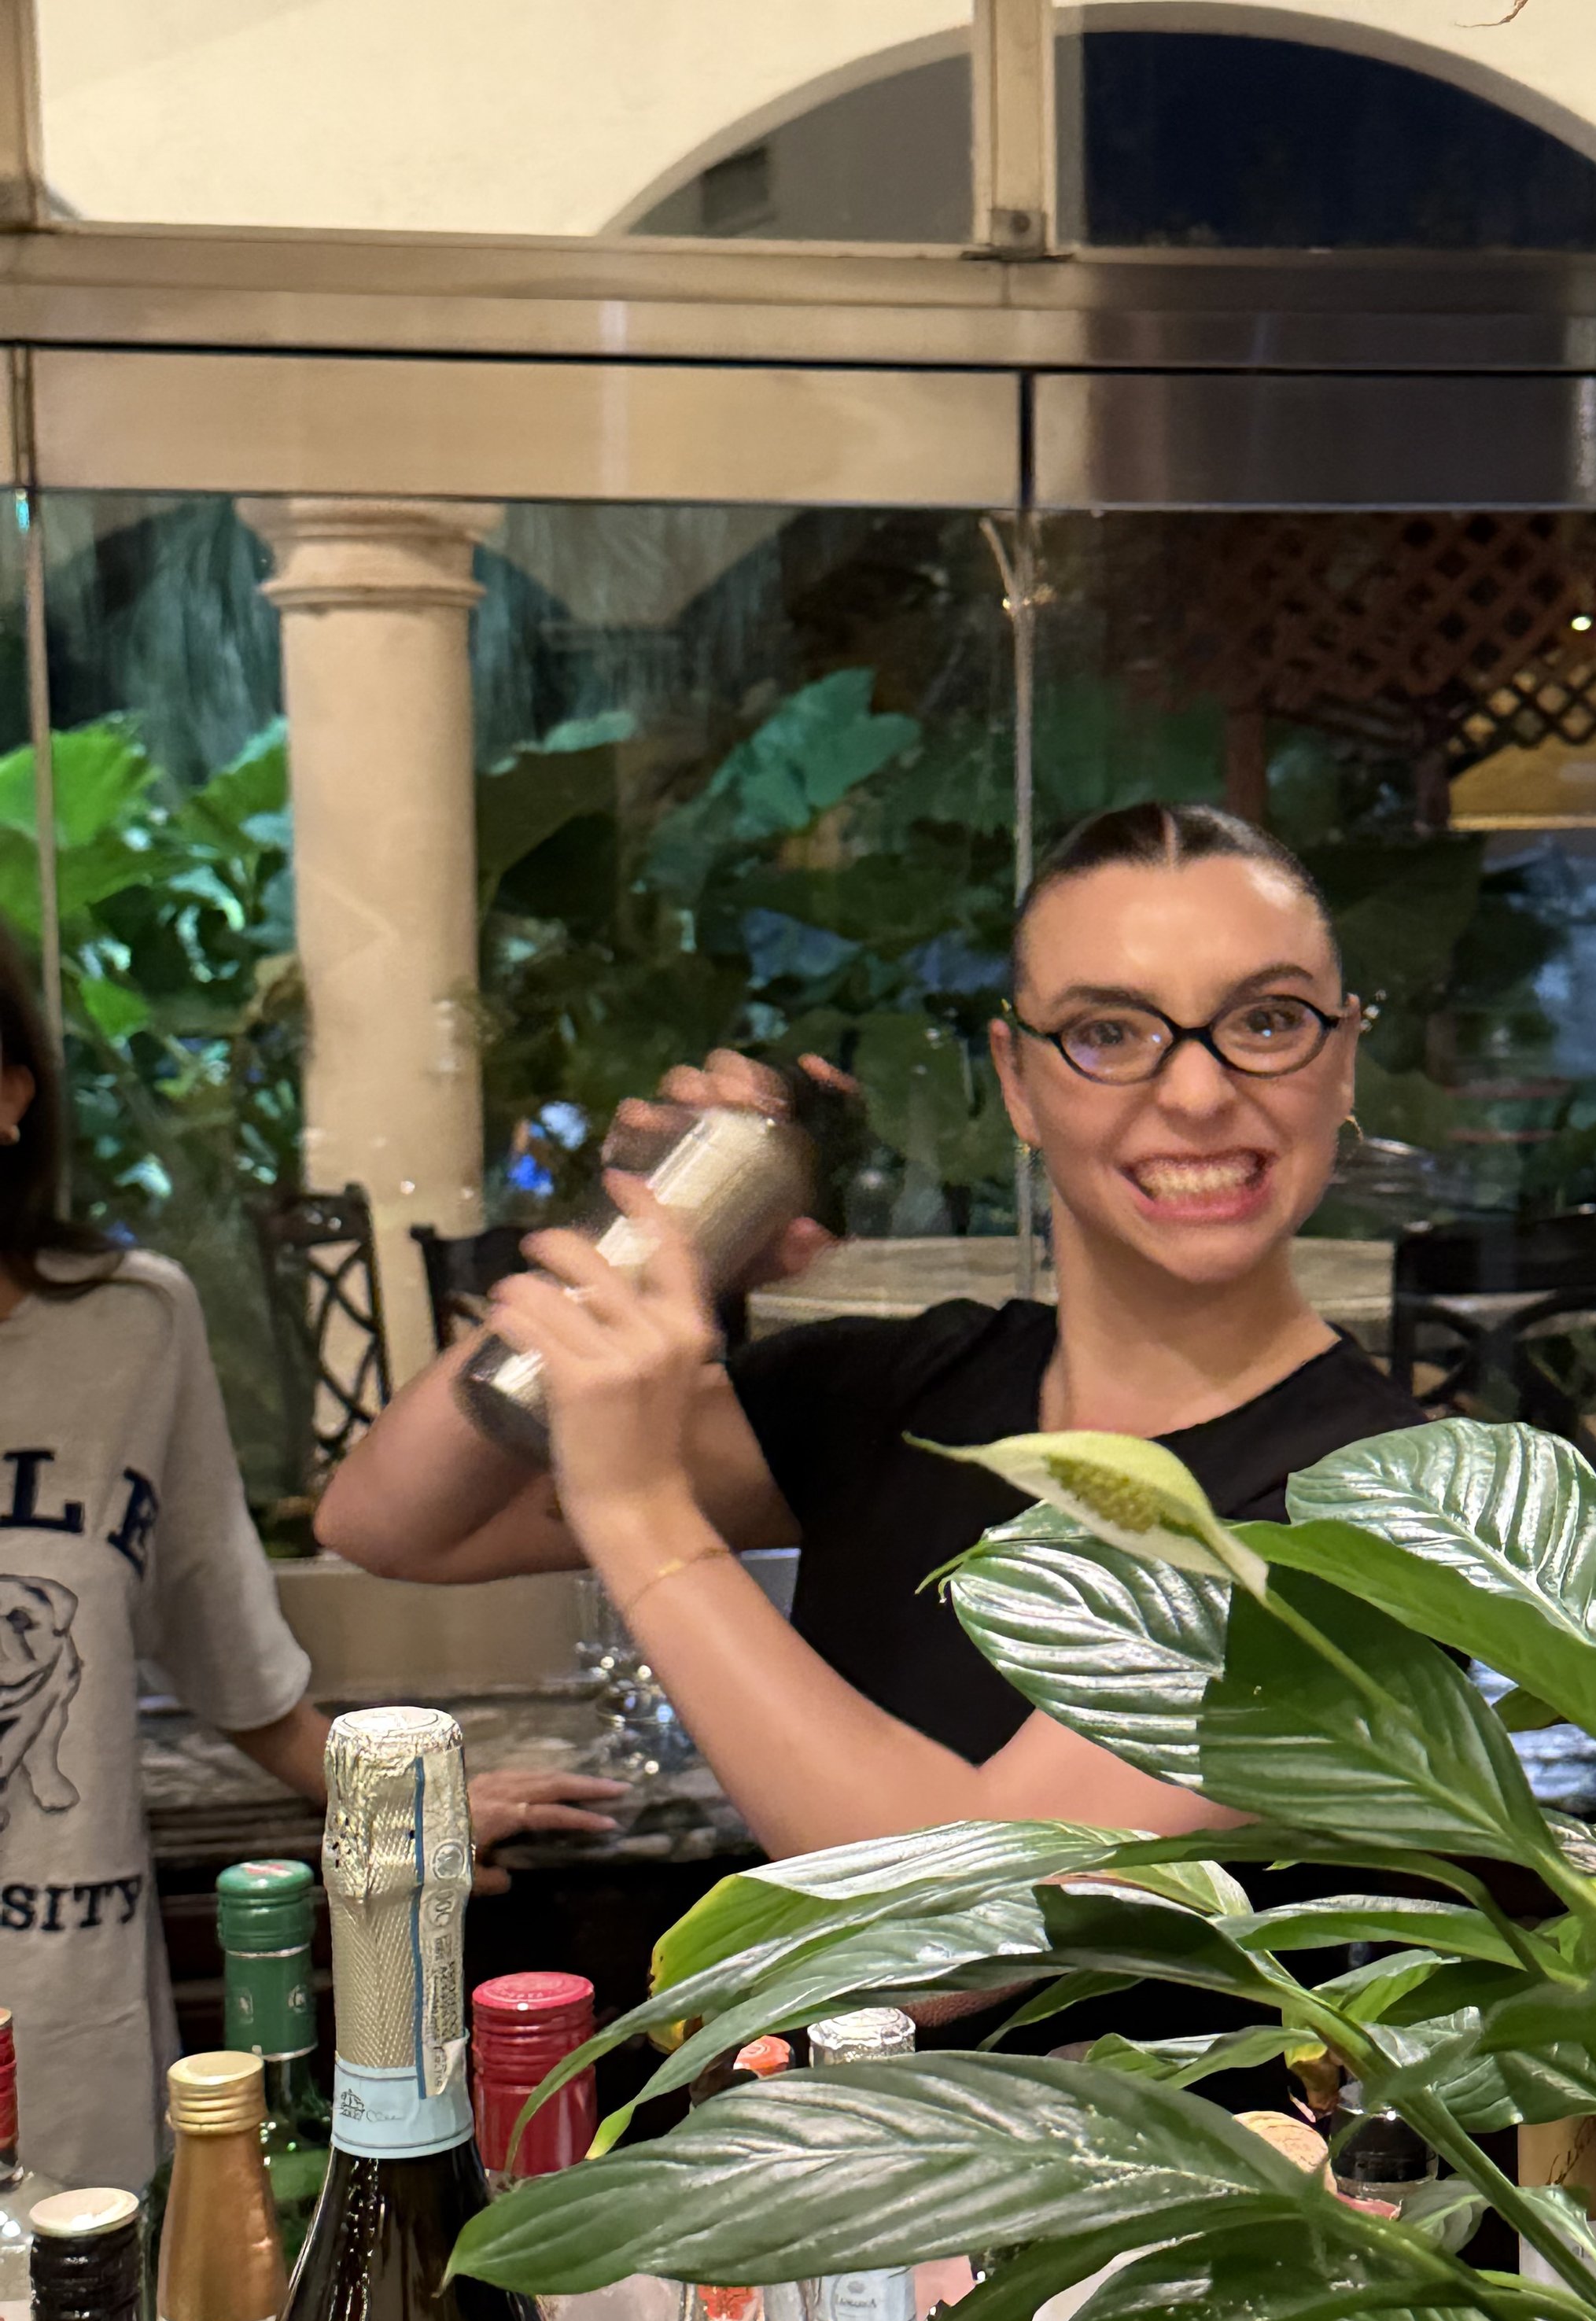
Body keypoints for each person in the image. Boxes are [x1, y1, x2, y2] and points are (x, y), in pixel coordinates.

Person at [318, 803, 1427, 1860]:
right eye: (1108, 1031)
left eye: (1267, 1021)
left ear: (1343, 1059)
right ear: (1020, 1084)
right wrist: (647, 1238)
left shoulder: (1384, 1506)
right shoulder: (908, 1389)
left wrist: (639, 1509)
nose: (1195, 1090)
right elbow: (396, 1521)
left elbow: (963, 1925)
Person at [0, 924, 623, 2190]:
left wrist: (407, 1820)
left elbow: (229, 1645)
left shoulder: (129, 1325)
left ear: (14, 1089)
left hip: (65, 2034)